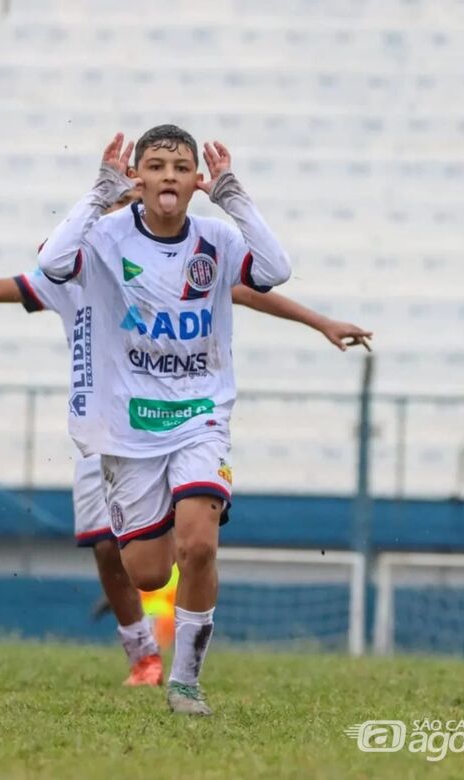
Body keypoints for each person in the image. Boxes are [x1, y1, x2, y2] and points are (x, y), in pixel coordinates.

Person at [0, 201, 371, 694]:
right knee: (109, 551)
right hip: (106, 431)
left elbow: (245, 291)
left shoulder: (170, 267)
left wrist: (320, 322)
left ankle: (182, 661)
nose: (123, 213)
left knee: (193, 540)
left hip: (178, 420)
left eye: (130, 202)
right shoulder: (74, 270)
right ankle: (142, 652)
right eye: (116, 202)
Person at [36, 124, 320, 714]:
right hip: (129, 427)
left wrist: (235, 196)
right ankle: (164, 509)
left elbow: (277, 268)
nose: (169, 175)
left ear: (196, 179)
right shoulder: (108, 235)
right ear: (137, 177)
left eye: (180, 166)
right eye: (156, 165)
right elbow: (52, 265)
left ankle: (186, 680)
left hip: (201, 414)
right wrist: (97, 192)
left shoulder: (216, 238)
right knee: (145, 572)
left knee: (199, 547)